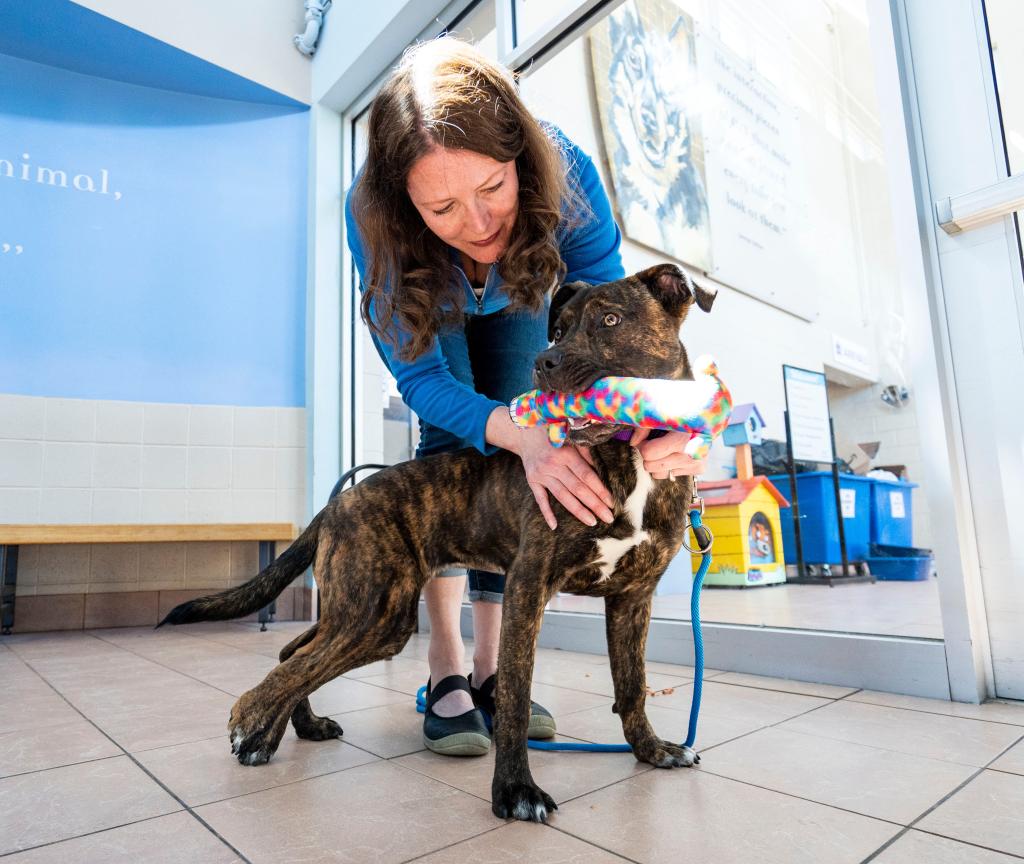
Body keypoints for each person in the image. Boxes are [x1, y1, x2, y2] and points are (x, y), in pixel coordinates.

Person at [343, 36, 705, 755]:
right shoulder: (375, 217)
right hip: (430, 294)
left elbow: (621, 333)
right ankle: (445, 665)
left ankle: (493, 670)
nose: (477, 226)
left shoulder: (567, 175)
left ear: (520, 160)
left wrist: (666, 425)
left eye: (492, 190)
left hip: (525, 290)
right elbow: (423, 380)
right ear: (405, 204)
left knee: (522, 448)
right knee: (460, 445)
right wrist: (518, 432)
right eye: (442, 207)